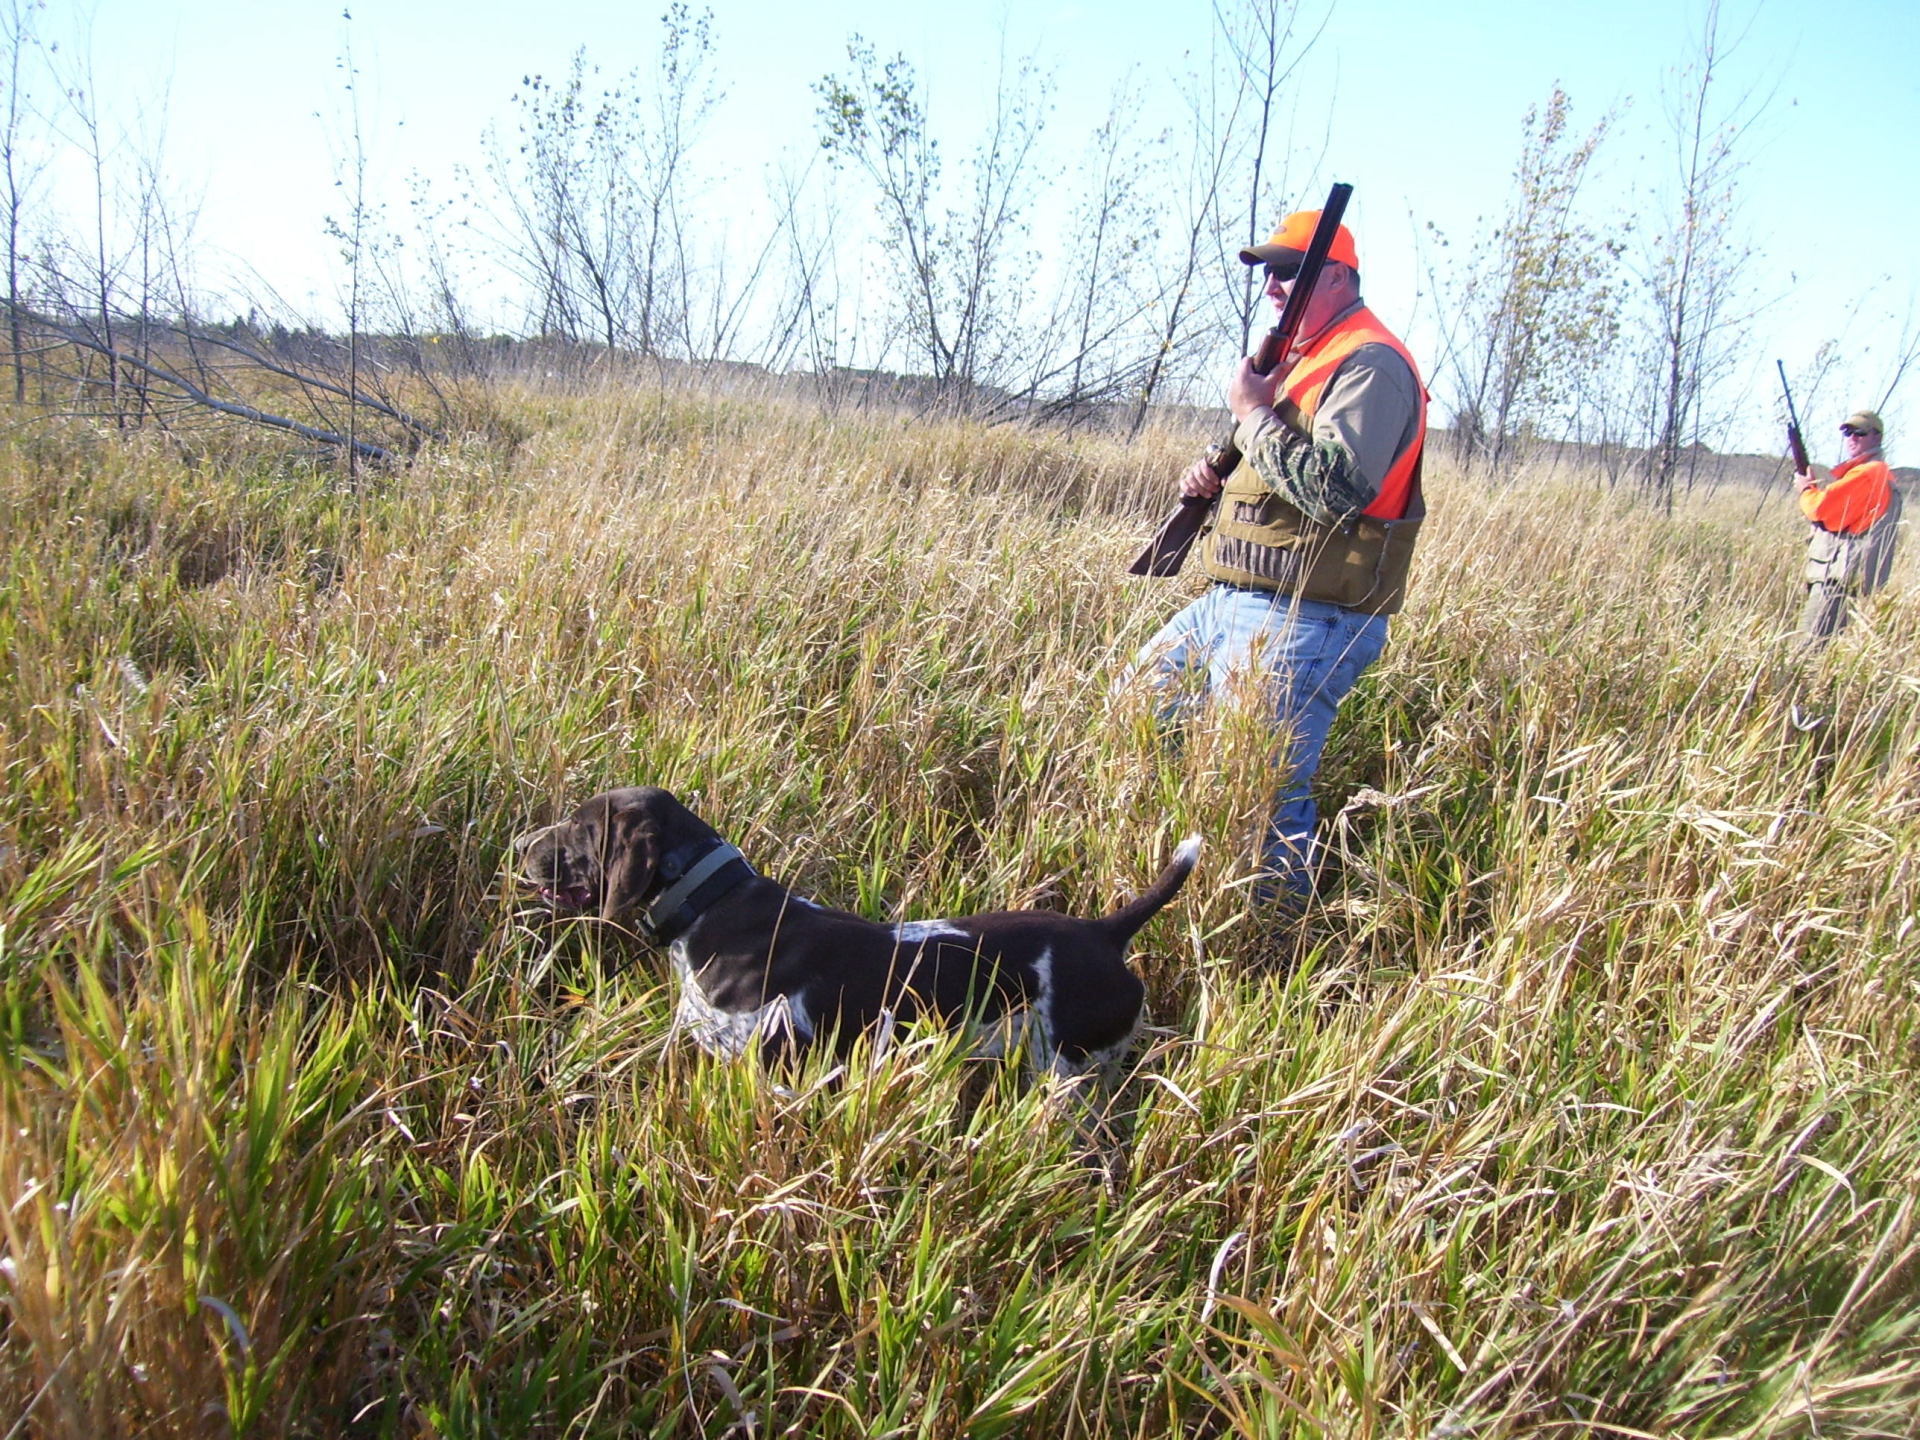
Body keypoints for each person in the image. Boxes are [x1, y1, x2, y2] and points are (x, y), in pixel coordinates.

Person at [1124, 208, 1426, 906]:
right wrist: (1214, 472)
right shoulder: (1303, 357)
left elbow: (1339, 488)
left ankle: (1276, 938)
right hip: (1231, 599)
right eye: (1269, 273)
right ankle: (1181, 874)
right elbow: (1273, 467)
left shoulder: (1370, 363)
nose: (1274, 287)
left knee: (1258, 782)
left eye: (1291, 272)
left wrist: (1253, 415)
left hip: (1311, 614)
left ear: (1341, 275)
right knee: (1138, 714)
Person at [1795, 409, 1895, 646]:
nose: (1852, 437)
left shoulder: (1869, 472)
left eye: (1859, 432)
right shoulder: (1879, 473)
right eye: (1848, 432)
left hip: (1835, 583)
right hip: (1847, 580)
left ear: (1877, 437)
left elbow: (1822, 510)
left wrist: (1805, 489)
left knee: (1806, 653)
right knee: (1824, 654)